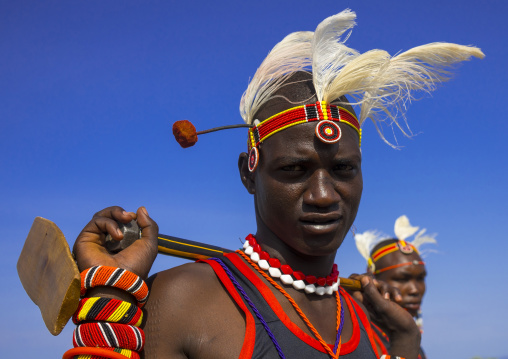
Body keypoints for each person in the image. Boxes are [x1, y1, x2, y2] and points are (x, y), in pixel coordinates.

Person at [70, 10, 483, 359]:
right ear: (249, 174)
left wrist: (407, 344)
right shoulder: (187, 300)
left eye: (342, 171)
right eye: (293, 170)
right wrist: (110, 290)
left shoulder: (373, 326)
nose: (323, 196)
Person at [354, 215, 438, 358]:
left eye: (420, 278)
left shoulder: (415, 346)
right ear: (373, 279)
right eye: (402, 279)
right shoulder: (354, 336)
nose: (415, 290)